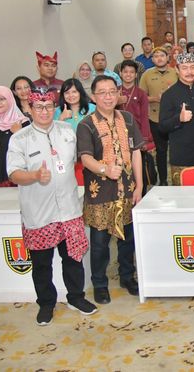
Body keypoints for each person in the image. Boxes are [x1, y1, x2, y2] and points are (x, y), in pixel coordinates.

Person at [7, 89, 97, 325]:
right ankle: (46, 303)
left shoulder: (67, 131)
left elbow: (82, 158)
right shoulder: (20, 139)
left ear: (54, 107)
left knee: (73, 259)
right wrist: (35, 175)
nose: (44, 111)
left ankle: (76, 297)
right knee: (42, 263)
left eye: (48, 106)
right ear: (30, 109)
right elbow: (14, 174)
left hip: (68, 209)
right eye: (39, 107)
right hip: (39, 212)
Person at [77, 75, 144, 305]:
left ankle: (127, 277)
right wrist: (105, 169)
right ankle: (100, 283)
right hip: (100, 192)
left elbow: (136, 152)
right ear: (94, 97)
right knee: (99, 243)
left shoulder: (127, 118)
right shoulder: (86, 124)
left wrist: (140, 185)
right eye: (102, 92)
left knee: (128, 239)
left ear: (118, 94)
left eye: (111, 92)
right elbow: (85, 158)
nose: (108, 96)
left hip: (127, 189)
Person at [158, 53, 194, 185]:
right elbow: (162, 127)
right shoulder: (169, 95)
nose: (189, 72)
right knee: (182, 200)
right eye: (185, 68)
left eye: (192, 67)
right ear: (177, 70)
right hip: (181, 157)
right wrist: (178, 119)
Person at [139, 47, 178, 185]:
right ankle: (163, 180)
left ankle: (177, 178)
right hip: (155, 118)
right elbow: (141, 97)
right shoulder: (146, 75)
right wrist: (155, 98)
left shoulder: (175, 73)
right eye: (156, 56)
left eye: (162, 55)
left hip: (175, 118)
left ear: (168, 57)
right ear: (152, 59)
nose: (159, 58)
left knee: (176, 149)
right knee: (161, 151)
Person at [117, 60, 154, 191]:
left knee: (139, 168)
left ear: (136, 74)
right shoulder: (115, 92)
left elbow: (144, 117)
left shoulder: (141, 93)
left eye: (132, 72)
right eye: (125, 72)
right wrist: (117, 101)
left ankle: (140, 192)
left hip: (136, 135)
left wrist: (144, 139)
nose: (128, 75)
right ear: (120, 73)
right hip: (117, 135)